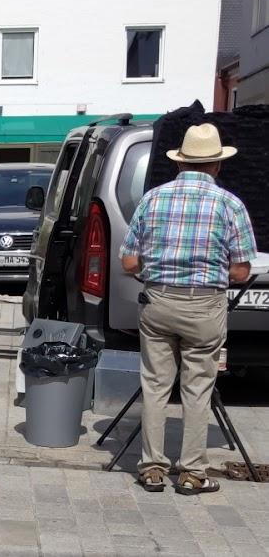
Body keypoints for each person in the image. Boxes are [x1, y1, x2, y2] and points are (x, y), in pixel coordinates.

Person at [120, 123, 255, 496]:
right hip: (204, 305)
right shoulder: (230, 204)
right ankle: (193, 473)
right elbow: (242, 270)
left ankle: (151, 469)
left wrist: (156, 274)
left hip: (158, 301)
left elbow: (129, 262)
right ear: (216, 166)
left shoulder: (153, 199)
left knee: (155, 384)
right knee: (197, 387)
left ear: (180, 163)